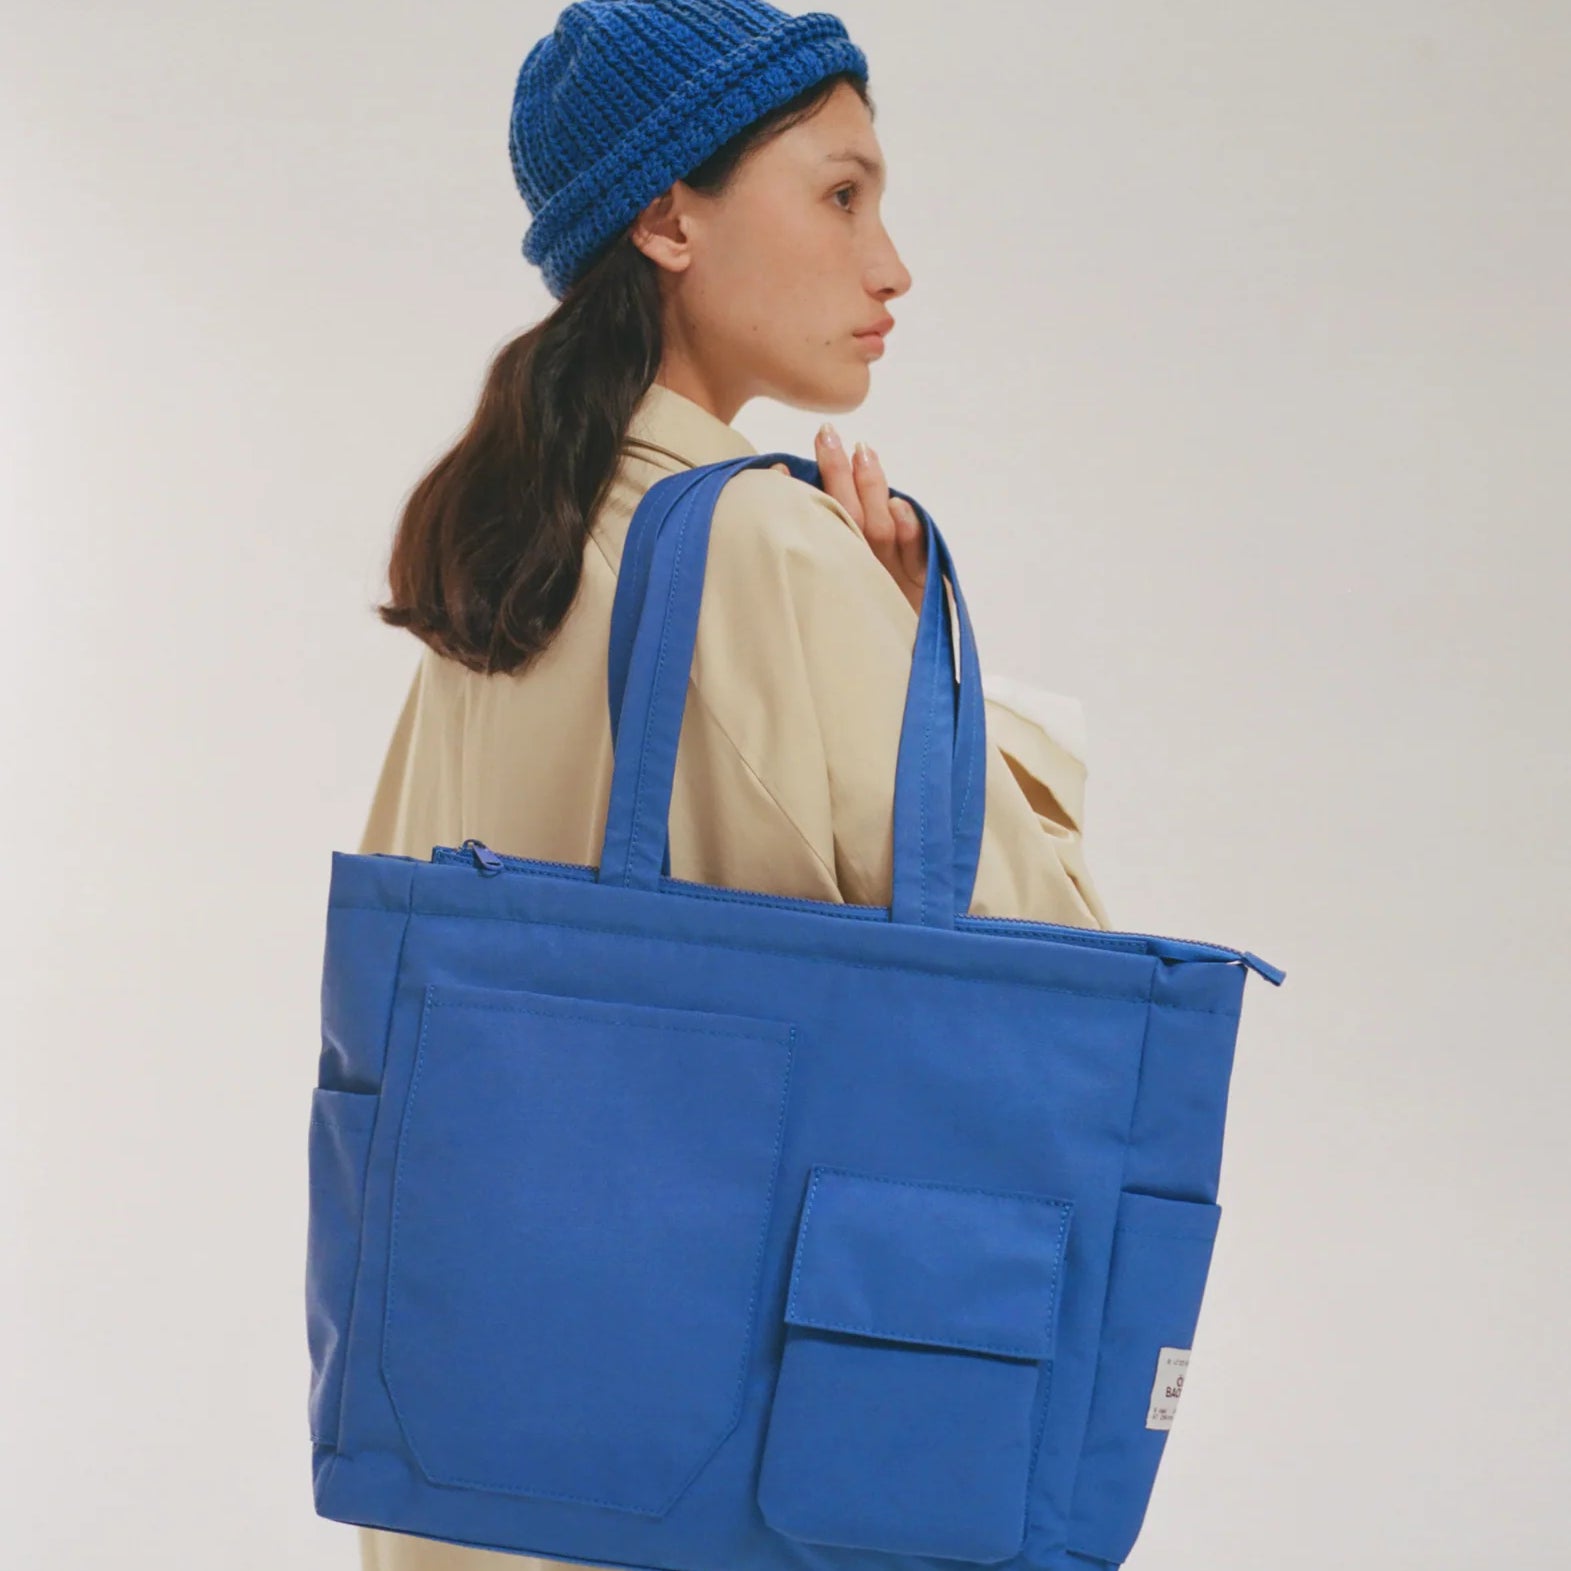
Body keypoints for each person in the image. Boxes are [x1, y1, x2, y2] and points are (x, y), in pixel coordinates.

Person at [355, 3, 1109, 1567]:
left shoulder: (498, 560)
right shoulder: (769, 553)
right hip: (732, 1476)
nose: (892, 266)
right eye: (841, 195)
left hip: (475, 1464)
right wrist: (927, 662)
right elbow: (1051, 966)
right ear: (666, 217)